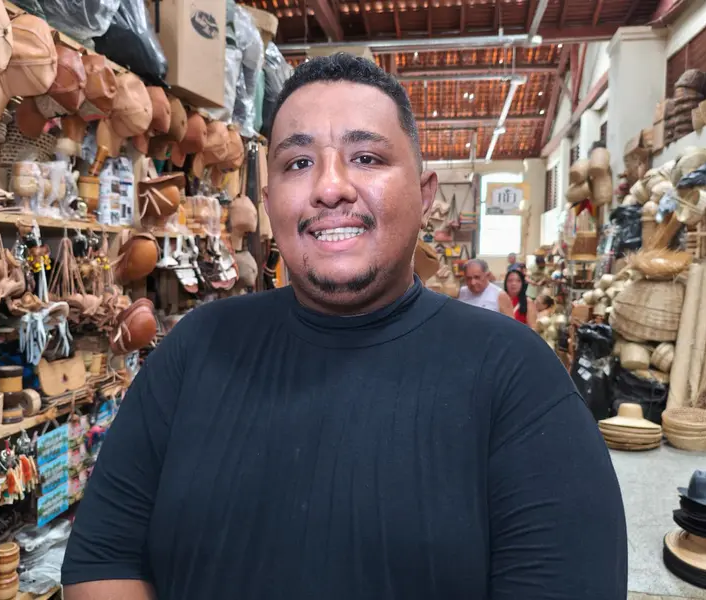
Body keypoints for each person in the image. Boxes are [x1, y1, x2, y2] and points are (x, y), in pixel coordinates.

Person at [61, 53, 627, 600]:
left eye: (367, 157)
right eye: (298, 163)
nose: (330, 187)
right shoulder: (195, 348)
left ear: (425, 195)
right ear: (269, 201)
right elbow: (103, 556)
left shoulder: (516, 376)